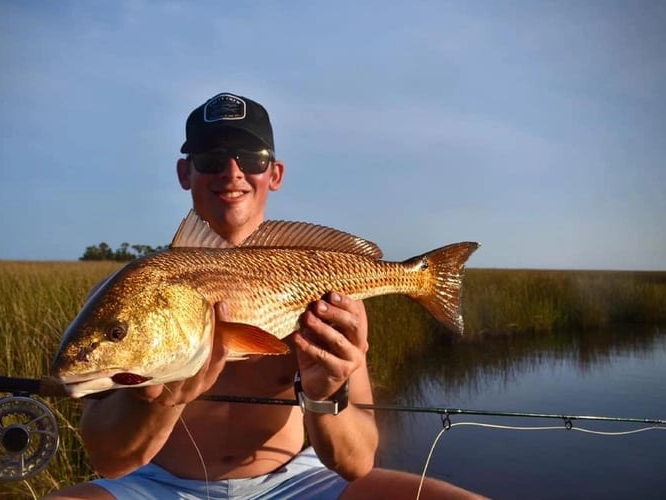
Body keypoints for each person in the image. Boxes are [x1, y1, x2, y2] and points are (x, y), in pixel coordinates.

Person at [46, 93, 485, 499]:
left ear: (273, 174)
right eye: (211, 157)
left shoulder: (329, 293)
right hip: (157, 486)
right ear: (186, 171)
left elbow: (356, 462)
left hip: (297, 481)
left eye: (251, 159)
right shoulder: (129, 294)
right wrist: (160, 400)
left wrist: (325, 390)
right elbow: (111, 460)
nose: (232, 172)